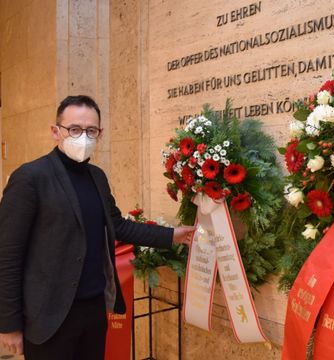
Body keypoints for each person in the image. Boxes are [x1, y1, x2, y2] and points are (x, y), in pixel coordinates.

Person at [0, 95, 194, 360]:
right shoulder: (31, 177)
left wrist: (172, 235)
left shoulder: (97, 177)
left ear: (100, 134)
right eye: (75, 129)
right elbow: (8, 255)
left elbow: (118, 226)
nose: (84, 137)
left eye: (91, 130)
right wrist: (9, 324)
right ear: (56, 131)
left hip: (93, 310)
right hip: (49, 317)